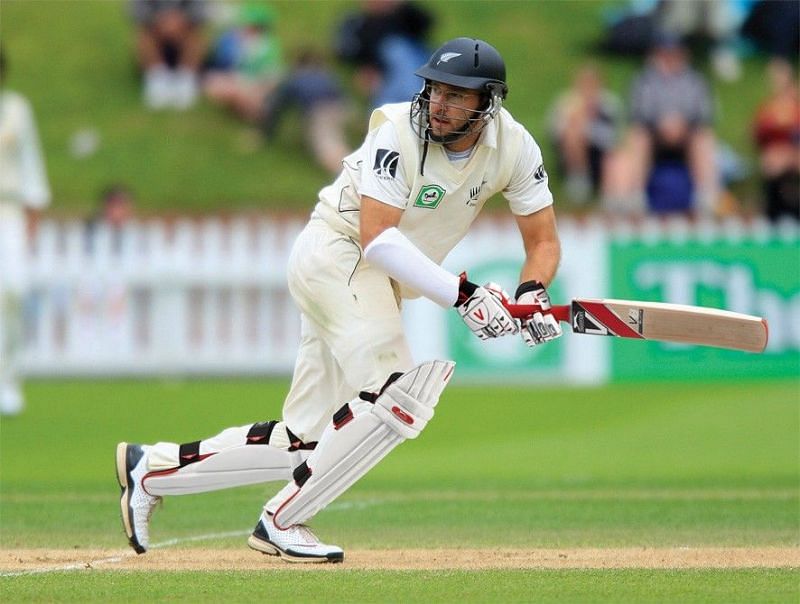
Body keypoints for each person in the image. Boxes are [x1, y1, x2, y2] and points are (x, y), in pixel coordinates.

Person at [116, 38, 562, 563]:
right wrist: (463, 295)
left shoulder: (515, 147)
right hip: (338, 253)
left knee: (305, 443)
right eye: (434, 89)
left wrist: (532, 292)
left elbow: (543, 243)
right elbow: (378, 238)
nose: (438, 104)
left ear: (487, 100)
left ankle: (152, 470)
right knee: (399, 393)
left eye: (455, 95)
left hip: (372, 280)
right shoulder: (396, 131)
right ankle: (282, 520)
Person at [603, 31, 719, 216]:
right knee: (638, 137)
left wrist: (682, 123)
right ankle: (636, 195)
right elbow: (637, 112)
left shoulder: (695, 81)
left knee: (703, 138)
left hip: (686, 137)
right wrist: (661, 123)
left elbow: (704, 113)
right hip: (654, 136)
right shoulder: (643, 81)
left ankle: (706, 196)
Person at [0, 47, 51, 416]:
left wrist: (33, 214)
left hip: (9, 208)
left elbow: (30, 161)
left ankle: (8, 380)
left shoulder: (16, 108)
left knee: (13, 290)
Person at [260, 48, 351, 175]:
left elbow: (277, 107)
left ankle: (352, 177)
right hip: (341, 109)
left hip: (320, 111)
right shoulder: (325, 75)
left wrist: (266, 135)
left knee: (328, 149)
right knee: (332, 137)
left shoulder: (296, 79)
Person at [334, 0, 433, 108]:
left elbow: (426, 24)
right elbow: (345, 51)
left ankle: (417, 100)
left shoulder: (402, 18)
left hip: (416, 65)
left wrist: (400, 6)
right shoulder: (356, 22)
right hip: (383, 75)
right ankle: (413, 102)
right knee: (395, 50)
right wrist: (365, 66)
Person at [547, 63, 623, 204]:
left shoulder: (609, 105)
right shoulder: (566, 103)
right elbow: (554, 132)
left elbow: (613, 137)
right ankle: (578, 176)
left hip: (600, 153)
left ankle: (614, 191)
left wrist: (588, 127)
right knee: (573, 132)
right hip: (571, 153)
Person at [204, 3, 284, 123]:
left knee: (256, 89)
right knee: (217, 85)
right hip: (232, 80)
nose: (244, 27)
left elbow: (272, 73)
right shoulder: (230, 39)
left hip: (256, 83)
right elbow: (219, 62)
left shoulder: (268, 45)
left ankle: (255, 111)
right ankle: (255, 111)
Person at [130, 0, 208, 110]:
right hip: (155, 34)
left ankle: (186, 80)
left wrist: (181, 20)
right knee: (142, 35)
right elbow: (135, 11)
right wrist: (159, 20)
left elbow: (202, 12)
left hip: (184, 34)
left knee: (197, 35)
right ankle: (157, 79)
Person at [752, 57, 800, 221]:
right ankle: (773, 214)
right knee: (771, 161)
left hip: (794, 152)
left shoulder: (795, 106)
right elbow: (759, 135)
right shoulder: (768, 108)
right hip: (776, 154)